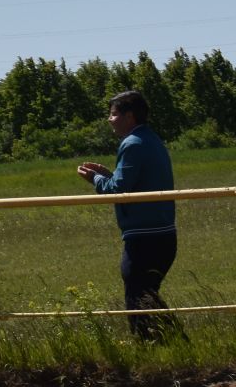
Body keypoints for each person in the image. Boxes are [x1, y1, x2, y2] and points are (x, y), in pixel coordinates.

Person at [76, 90, 178, 341]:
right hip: (163, 235)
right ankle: (171, 344)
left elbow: (119, 190)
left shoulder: (131, 144)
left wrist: (96, 179)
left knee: (137, 295)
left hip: (144, 238)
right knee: (145, 294)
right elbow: (132, 183)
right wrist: (109, 176)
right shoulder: (150, 139)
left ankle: (154, 344)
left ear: (129, 116)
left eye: (113, 114)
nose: (109, 120)